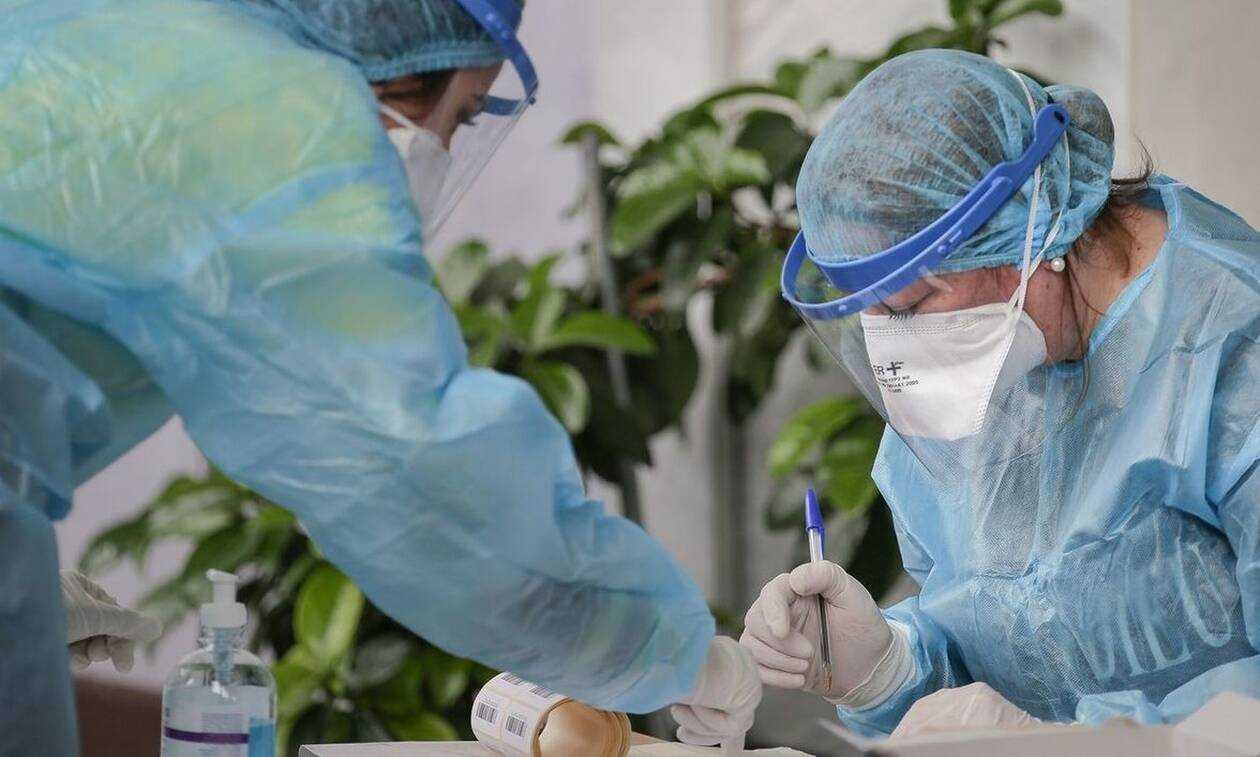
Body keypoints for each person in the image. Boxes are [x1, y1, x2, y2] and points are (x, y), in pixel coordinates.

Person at [0, 1, 759, 753]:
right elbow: (422, 481)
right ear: (396, 56)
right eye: (464, 113)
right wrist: (674, 653)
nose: (448, 146)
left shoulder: (136, 33)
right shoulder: (282, 126)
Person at [744, 49, 1259, 738]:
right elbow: (1011, 628)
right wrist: (891, 666)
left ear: (1029, 229)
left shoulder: (1233, 349)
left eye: (910, 304)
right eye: (871, 312)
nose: (894, 345)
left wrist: (1087, 743)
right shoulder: (992, 352)